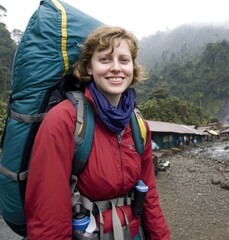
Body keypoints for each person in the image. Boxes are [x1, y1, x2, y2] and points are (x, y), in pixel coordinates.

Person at [25, 25, 170, 239]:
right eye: (105, 59)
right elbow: (48, 216)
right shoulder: (65, 120)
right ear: (89, 68)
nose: (116, 68)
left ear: (133, 67)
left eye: (124, 60)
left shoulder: (138, 125)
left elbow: (149, 196)